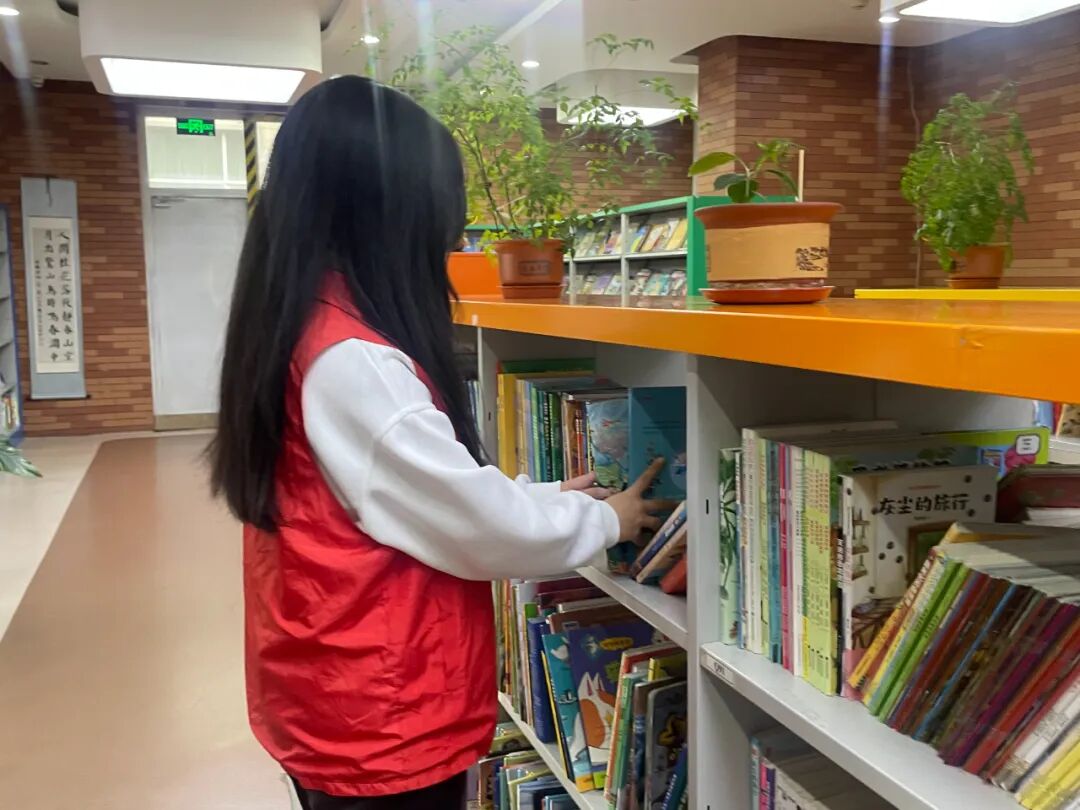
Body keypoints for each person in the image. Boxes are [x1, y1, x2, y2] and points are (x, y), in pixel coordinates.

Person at [209, 76, 668, 810]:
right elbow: (477, 528)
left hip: (328, 690)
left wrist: (540, 495)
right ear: (388, 214)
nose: (451, 240)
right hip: (385, 713)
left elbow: (404, 495)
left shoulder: (303, 325)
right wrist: (606, 521)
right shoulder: (355, 362)